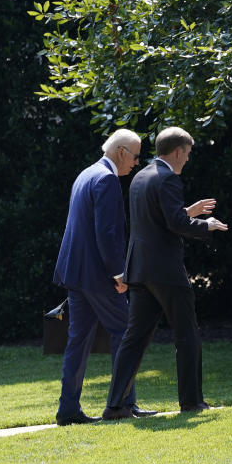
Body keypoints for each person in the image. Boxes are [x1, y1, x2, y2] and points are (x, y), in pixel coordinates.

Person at [103, 126, 228, 419]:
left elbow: (158, 220)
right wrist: (205, 225)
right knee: (187, 335)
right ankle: (192, 402)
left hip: (140, 271)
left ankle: (115, 405)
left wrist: (190, 211)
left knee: (134, 339)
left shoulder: (140, 177)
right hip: (166, 272)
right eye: (187, 154)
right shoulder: (169, 178)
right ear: (178, 151)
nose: (187, 160)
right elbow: (174, 224)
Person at [52, 129, 158, 425]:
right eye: (136, 156)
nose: (136, 163)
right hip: (99, 276)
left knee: (78, 341)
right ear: (122, 152)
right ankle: (123, 404)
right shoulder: (107, 179)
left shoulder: (87, 173)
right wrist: (120, 273)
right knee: (127, 335)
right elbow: (106, 233)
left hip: (76, 274)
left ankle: (68, 409)